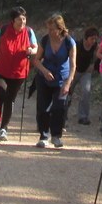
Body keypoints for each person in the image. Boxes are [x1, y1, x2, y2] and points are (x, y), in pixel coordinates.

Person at [0, 6, 37, 142]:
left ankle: (4, 128)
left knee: (10, 99)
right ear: (12, 20)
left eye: (24, 19)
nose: (22, 22)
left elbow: (35, 47)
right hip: (0, 70)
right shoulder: (3, 30)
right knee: (0, 94)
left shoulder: (29, 32)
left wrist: (31, 51)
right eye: (19, 19)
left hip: (18, 73)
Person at [32, 14, 76, 148]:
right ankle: (43, 136)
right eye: (48, 29)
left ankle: (56, 136)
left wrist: (68, 83)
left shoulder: (69, 42)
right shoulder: (45, 40)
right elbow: (36, 60)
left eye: (53, 29)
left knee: (59, 107)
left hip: (62, 79)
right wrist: (44, 71)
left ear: (60, 28)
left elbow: (73, 65)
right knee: (43, 108)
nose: (50, 32)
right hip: (44, 78)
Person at [72, 26, 100, 125]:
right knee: (67, 92)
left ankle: (83, 116)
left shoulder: (95, 46)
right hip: (74, 71)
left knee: (86, 92)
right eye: (92, 38)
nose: (93, 41)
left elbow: (97, 56)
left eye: (95, 39)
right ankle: (62, 115)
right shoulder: (77, 45)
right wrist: (72, 70)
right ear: (86, 38)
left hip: (85, 72)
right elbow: (71, 57)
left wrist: (93, 65)